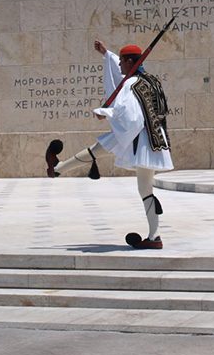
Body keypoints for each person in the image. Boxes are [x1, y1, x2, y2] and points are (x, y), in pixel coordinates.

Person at [45, 40, 174, 250]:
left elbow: (130, 117)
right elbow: (121, 73)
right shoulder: (151, 80)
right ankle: (58, 169)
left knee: (142, 187)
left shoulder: (131, 85)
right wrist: (106, 53)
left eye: (122, 61)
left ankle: (154, 237)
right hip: (155, 138)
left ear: (129, 61)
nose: (120, 66)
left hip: (140, 137)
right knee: (104, 152)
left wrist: (105, 113)